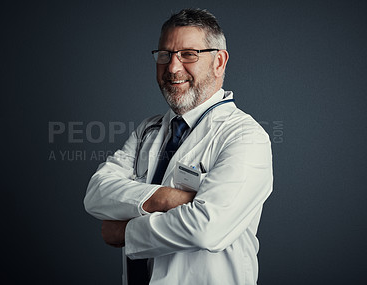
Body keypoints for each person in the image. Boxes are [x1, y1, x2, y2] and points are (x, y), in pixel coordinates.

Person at [84, 8, 273, 285]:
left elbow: (206, 229)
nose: (172, 68)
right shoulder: (148, 130)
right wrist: (164, 198)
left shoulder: (245, 136)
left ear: (218, 62)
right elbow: (96, 193)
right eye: (165, 55)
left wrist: (125, 232)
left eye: (188, 54)